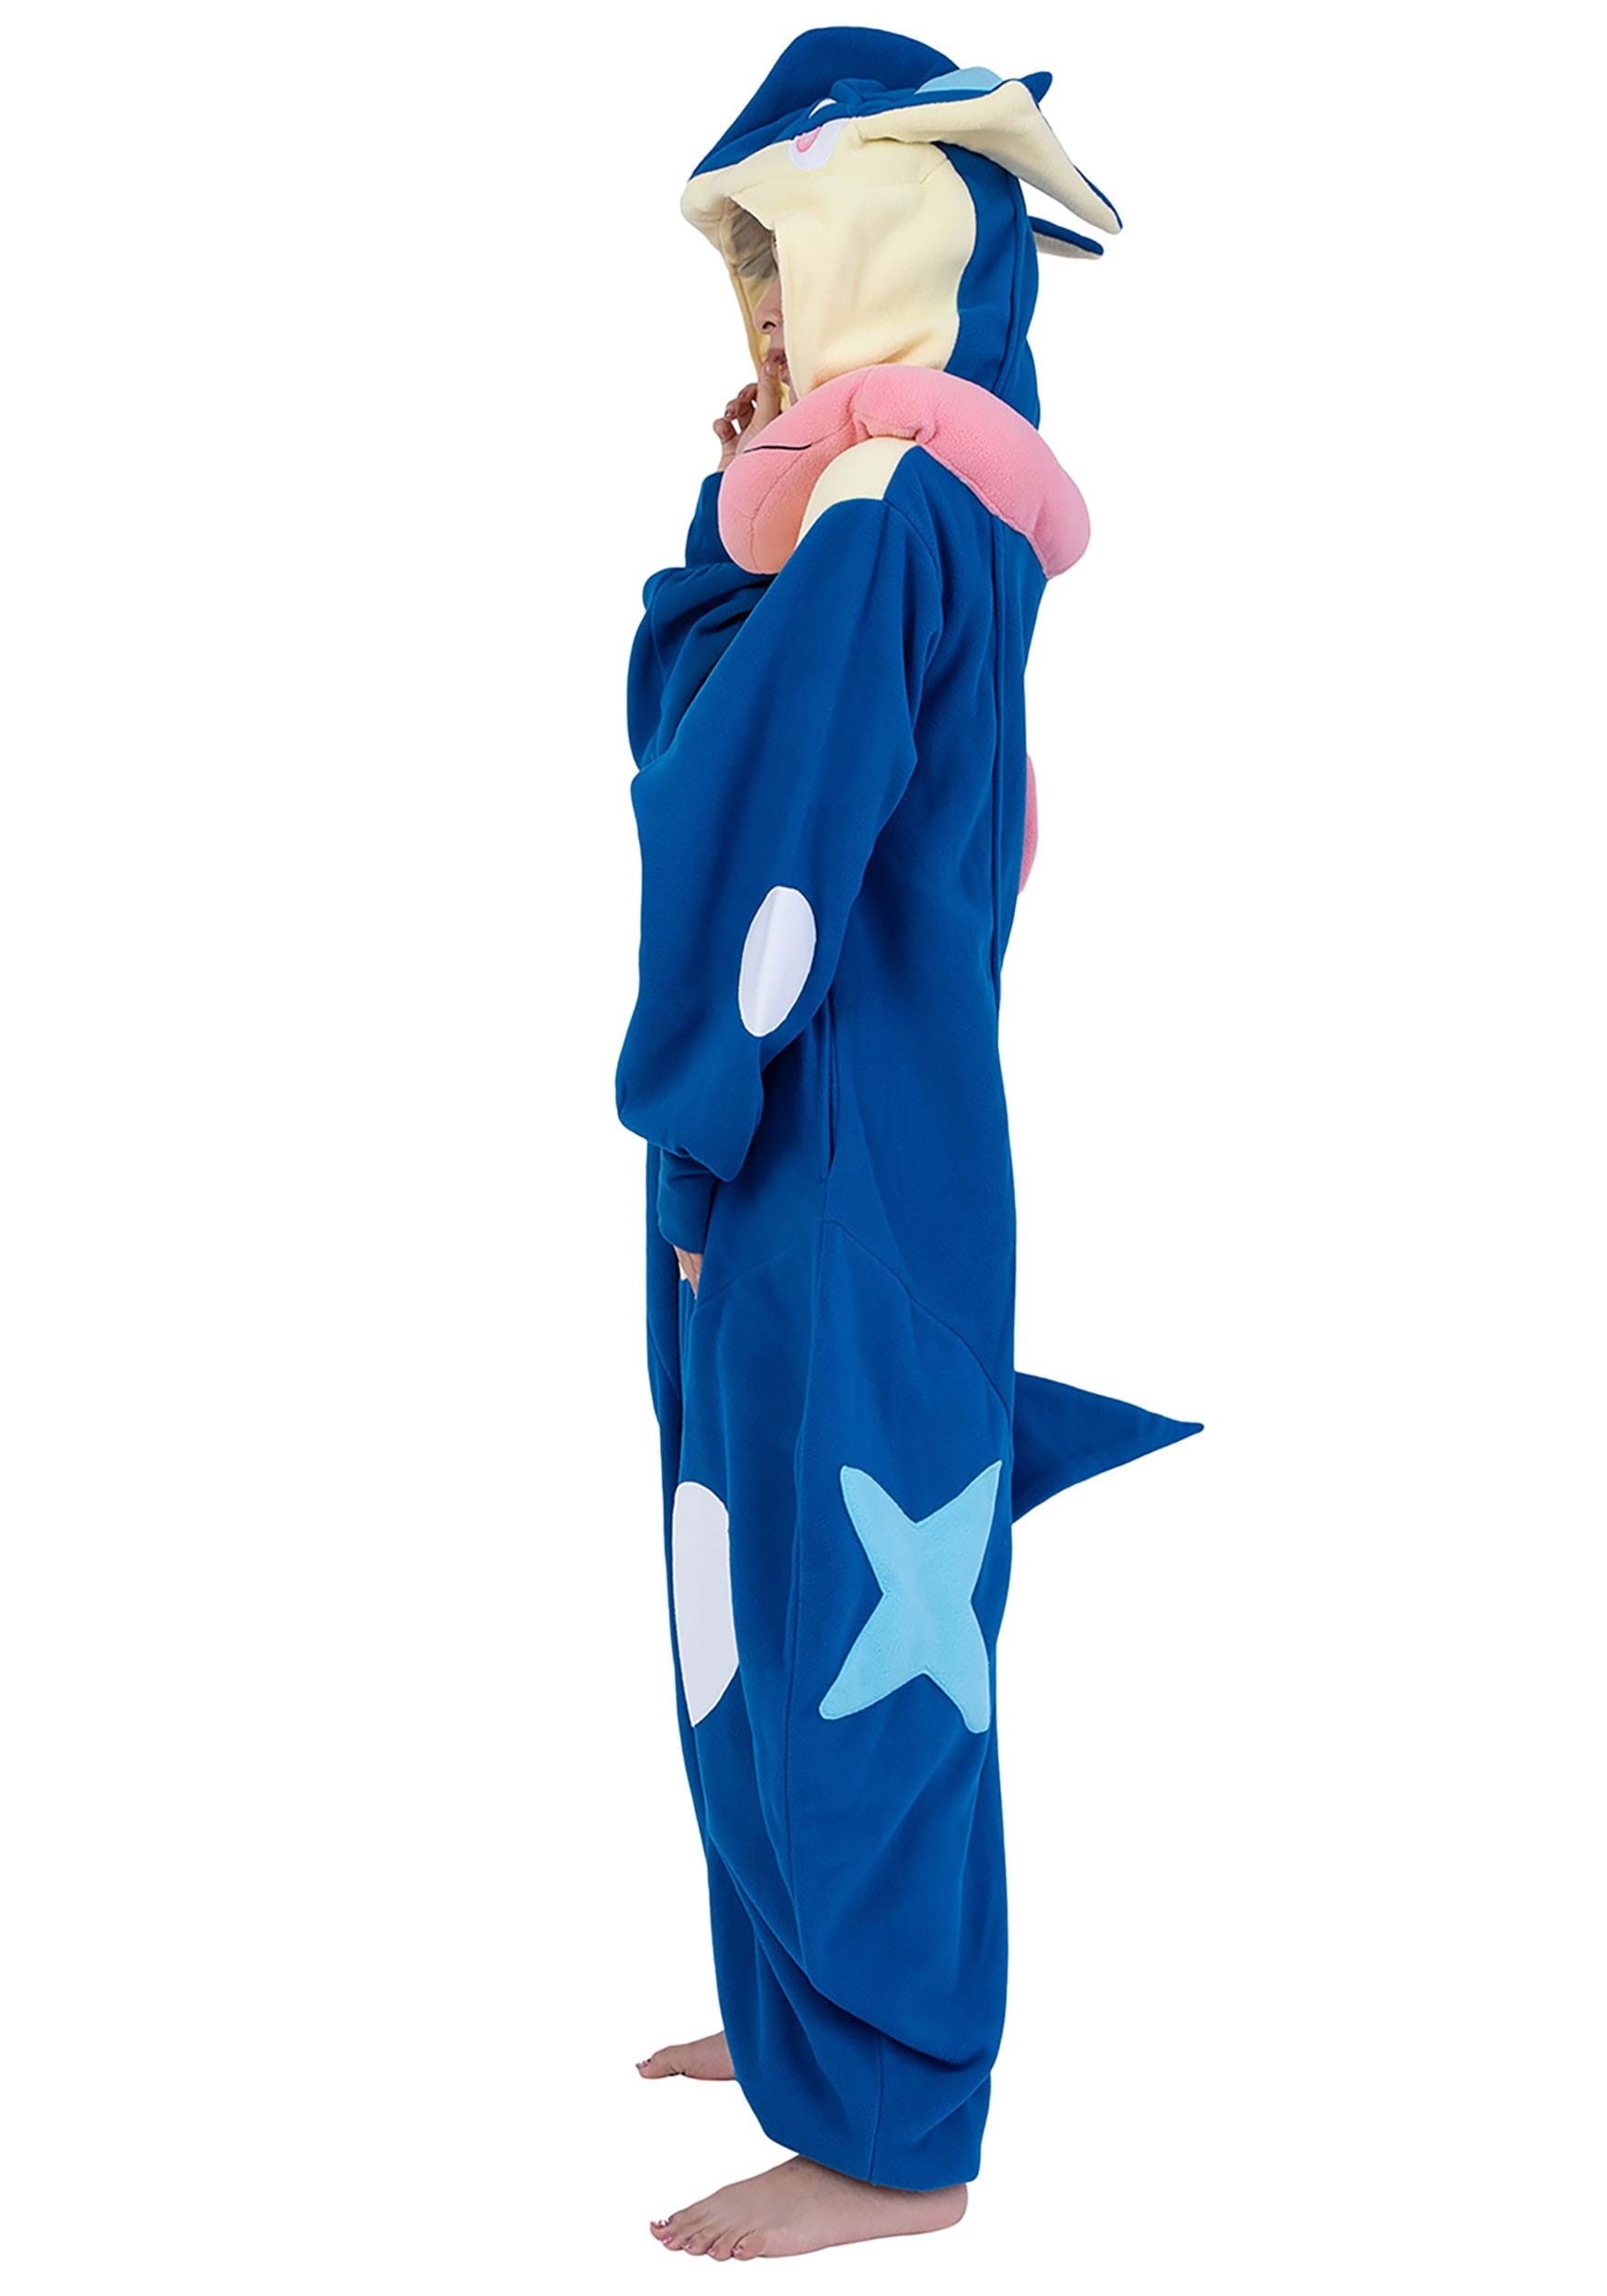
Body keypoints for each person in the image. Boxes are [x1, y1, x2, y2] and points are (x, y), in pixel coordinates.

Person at [615, 29, 1197, 2261]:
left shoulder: (884, 510)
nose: (761, 314)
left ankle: (893, 2118)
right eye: (743, 275)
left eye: (788, 258)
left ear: (883, 241)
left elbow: (755, 835)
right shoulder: (889, 501)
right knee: (748, 1581)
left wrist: (696, 1115)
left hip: (812, 1138)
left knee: (842, 1607)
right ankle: (801, 2008)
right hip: (839, 1131)